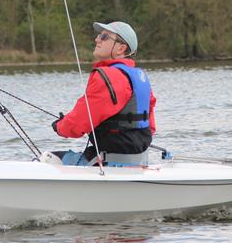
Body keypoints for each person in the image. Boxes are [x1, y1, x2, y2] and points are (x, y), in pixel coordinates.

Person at [51, 21, 156, 165]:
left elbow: (80, 122)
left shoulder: (108, 77)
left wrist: (60, 127)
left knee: (49, 158)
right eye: (99, 35)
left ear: (121, 48)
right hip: (139, 159)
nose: (97, 39)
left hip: (111, 162)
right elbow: (151, 127)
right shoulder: (139, 77)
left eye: (104, 36)